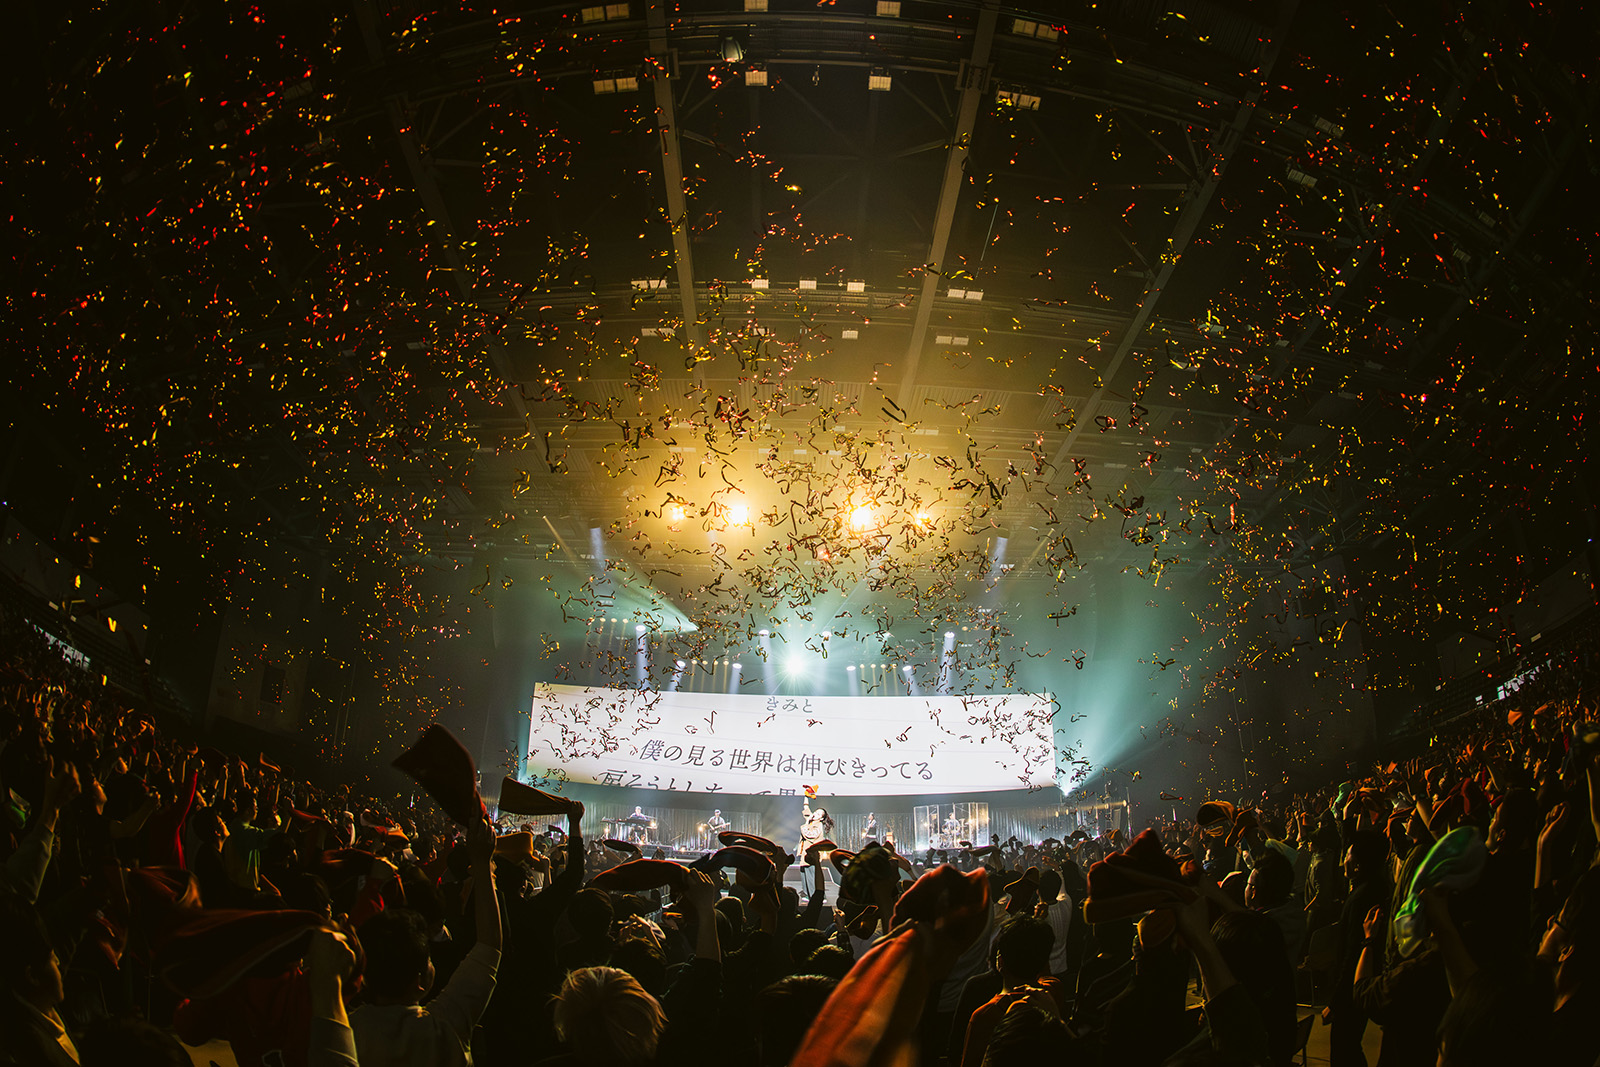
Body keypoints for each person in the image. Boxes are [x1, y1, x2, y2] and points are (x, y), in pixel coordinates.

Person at [349, 812, 501, 1067]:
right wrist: (483, 864)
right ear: (421, 980)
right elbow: (490, 945)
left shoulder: (343, 1030)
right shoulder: (444, 1026)